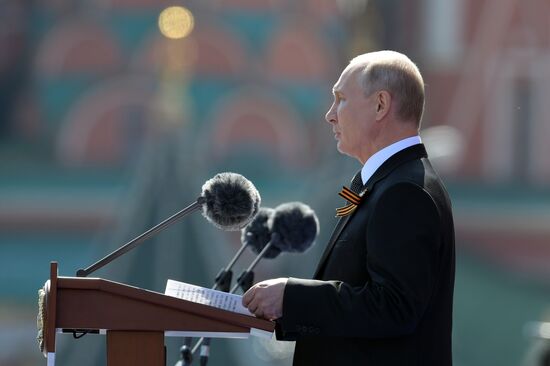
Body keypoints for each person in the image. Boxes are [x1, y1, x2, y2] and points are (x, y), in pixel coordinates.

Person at [242, 50, 455, 366]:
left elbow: (393, 307)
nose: (330, 115)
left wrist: (292, 297)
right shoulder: (384, 183)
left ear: (380, 105)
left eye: (341, 99)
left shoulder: (404, 192)